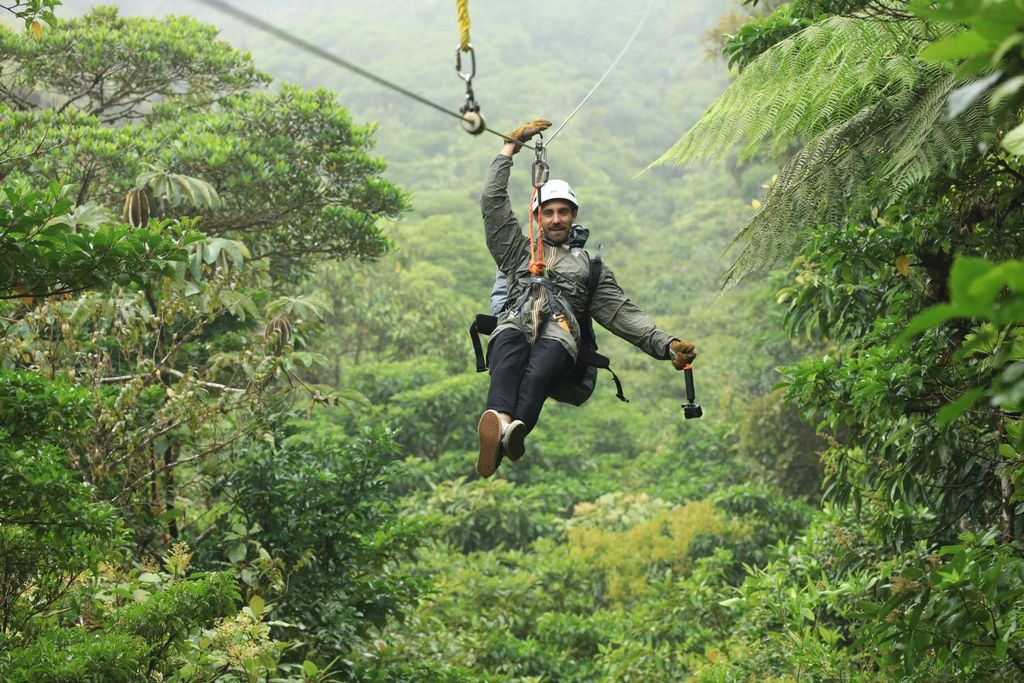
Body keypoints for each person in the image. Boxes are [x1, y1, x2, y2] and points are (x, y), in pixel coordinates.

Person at [476, 119, 696, 477]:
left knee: (538, 370)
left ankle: (512, 432)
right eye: (548, 212)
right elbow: (492, 202)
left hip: (560, 333)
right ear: (537, 216)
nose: (556, 219)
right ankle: (500, 426)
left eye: (563, 212)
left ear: (573, 216)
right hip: (516, 319)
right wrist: (508, 149)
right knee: (507, 352)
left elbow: (622, 314)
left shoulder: (589, 267)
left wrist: (666, 344)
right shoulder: (517, 250)